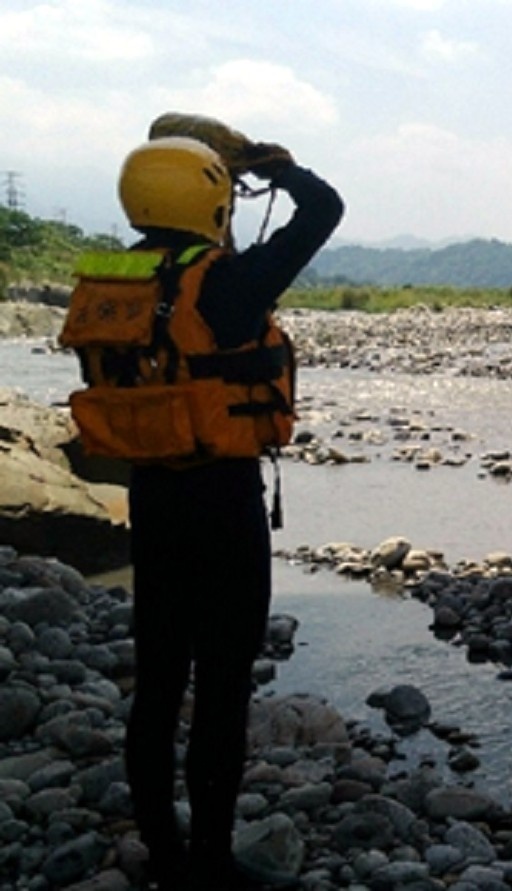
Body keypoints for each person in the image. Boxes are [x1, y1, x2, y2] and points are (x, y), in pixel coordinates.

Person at [61, 120, 342, 889]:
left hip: (151, 497)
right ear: (212, 199)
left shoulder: (109, 274)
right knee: (221, 687)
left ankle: (163, 848)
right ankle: (210, 863)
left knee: (157, 683)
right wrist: (272, 164)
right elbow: (323, 210)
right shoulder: (226, 283)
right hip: (223, 504)